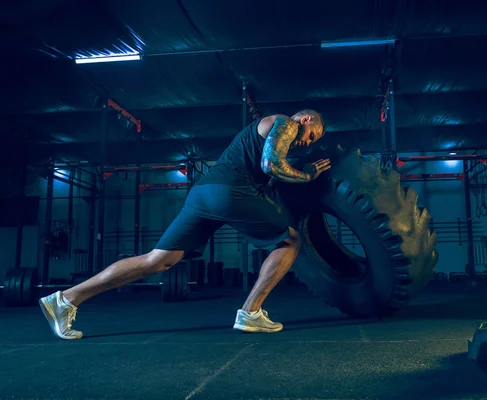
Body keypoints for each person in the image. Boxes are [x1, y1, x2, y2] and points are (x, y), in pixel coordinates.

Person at [39, 110, 330, 339]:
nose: (306, 142)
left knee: (158, 260)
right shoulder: (286, 123)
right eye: (311, 135)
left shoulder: (264, 134)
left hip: (203, 193)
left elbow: (266, 170)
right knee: (290, 240)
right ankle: (250, 312)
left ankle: (66, 299)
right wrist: (307, 176)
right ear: (305, 120)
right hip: (229, 191)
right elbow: (272, 166)